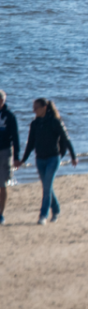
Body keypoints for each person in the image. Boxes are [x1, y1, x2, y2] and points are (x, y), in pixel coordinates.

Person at [19, 98, 77, 225]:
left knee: (46, 187)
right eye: (33, 108)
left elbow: (66, 140)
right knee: (47, 187)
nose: (33, 110)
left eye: (36, 108)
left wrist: (73, 156)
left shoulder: (55, 121)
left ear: (44, 107)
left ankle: (43, 216)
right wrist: (23, 160)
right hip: (40, 159)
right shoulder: (34, 124)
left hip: (53, 158)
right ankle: (56, 210)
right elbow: (30, 144)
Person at [0, 90, 19, 225]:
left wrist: (17, 157)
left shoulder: (10, 116)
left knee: (2, 185)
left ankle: (0, 214)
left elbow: (16, 138)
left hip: (5, 152)